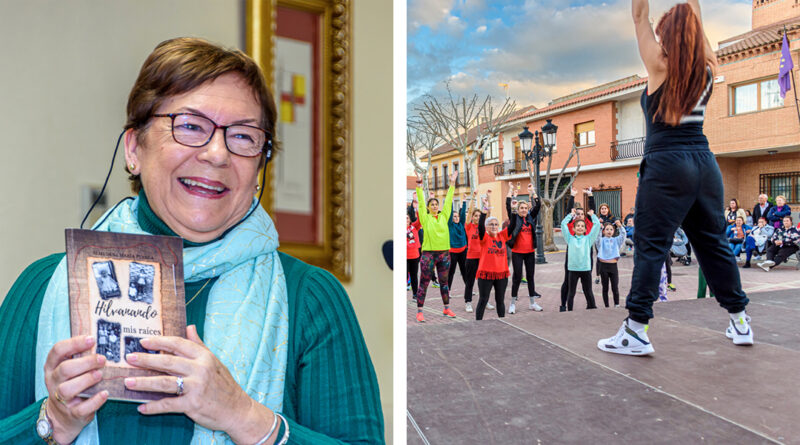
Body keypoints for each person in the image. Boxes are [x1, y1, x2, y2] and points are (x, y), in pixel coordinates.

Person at [0, 38, 384, 444]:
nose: (217, 154)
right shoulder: (41, 289)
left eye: (242, 137)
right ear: (134, 148)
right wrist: (52, 421)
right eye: (190, 126)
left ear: (259, 168)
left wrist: (245, 417)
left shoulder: (309, 298)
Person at [598, 0, 752, 356]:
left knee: (651, 247)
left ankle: (636, 330)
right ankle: (740, 320)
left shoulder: (659, 65)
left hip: (667, 162)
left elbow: (639, 16)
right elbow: (695, 16)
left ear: (666, 33)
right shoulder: (709, 68)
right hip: (704, 163)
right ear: (697, 34)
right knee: (714, 244)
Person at [414, 170, 459, 322]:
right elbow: (420, 203)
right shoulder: (425, 218)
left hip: (444, 254)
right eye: (432, 204)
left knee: (444, 282)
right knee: (424, 282)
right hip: (428, 254)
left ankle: (446, 308)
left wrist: (452, 183)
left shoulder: (444, 216)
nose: (434, 206)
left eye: (436, 204)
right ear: (428, 207)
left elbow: (449, 200)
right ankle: (420, 311)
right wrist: (419, 186)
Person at [506, 184, 543, 314]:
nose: (523, 210)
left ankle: (533, 303)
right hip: (517, 252)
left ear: (528, 209)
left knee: (530, 277)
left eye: (525, 208)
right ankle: (512, 304)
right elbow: (507, 205)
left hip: (529, 253)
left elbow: (538, 206)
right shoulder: (514, 218)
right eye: (521, 208)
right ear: (518, 209)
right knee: (516, 278)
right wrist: (510, 191)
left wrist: (533, 191)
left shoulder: (530, 218)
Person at [559, 187, 595, 311]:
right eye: (577, 214)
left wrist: (590, 196)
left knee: (587, 287)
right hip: (572, 260)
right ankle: (564, 305)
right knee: (568, 284)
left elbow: (592, 211)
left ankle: (591, 306)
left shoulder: (588, 225)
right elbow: (568, 213)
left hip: (586, 259)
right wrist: (572, 196)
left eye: (581, 214)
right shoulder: (571, 228)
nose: (579, 216)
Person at [475, 195, 510, 320]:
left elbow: (513, 224)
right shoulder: (484, 238)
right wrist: (484, 210)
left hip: (501, 274)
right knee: (483, 300)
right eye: (491, 225)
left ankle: (503, 322)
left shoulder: (502, 236)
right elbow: (479, 226)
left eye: (496, 224)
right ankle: (477, 324)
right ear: (486, 227)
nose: (494, 226)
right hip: (486, 274)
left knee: (500, 301)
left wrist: (513, 208)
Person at [561, 211, 601, 311]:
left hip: (585, 269)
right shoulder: (569, 238)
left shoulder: (588, 239)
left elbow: (597, 225)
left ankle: (592, 309)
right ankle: (569, 311)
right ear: (573, 228)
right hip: (573, 269)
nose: (580, 227)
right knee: (571, 293)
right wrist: (570, 215)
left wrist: (592, 215)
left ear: (585, 229)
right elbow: (563, 224)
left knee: (588, 291)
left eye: (582, 226)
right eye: (577, 225)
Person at [595, 220, 627, 308]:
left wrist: (620, 227)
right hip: (603, 266)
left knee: (615, 287)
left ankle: (617, 304)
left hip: (613, 266)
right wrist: (599, 228)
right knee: (605, 288)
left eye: (611, 229)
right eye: (607, 229)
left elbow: (623, 236)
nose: (609, 231)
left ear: (613, 231)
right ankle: (606, 305)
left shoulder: (616, 240)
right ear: (603, 231)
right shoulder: (601, 241)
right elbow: (597, 238)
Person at [463, 195, 482, 313]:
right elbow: (469, 212)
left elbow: (488, 214)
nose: (477, 218)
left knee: (483, 281)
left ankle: (484, 300)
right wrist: (473, 198)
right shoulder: (469, 226)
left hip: (483, 258)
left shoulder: (483, 227)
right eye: (476, 216)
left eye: (479, 216)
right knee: (470, 281)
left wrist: (488, 199)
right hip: (471, 257)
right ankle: (468, 302)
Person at [447, 198, 468, 291]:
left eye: (457, 216)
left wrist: (464, 202)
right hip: (452, 252)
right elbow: (450, 213)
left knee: (464, 271)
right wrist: (450, 202)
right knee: (451, 271)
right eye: (454, 216)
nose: (456, 218)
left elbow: (463, 214)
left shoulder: (461, 224)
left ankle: (469, 289)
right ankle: (448, 290)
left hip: (463, 251)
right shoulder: (450, 225)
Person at [407, 206, 422, 298]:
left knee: (414, 276)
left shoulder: (414, 227)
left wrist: (417, 209)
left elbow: (420, 221)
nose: (406, 219)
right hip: (405, 256)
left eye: (407, 218)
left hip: (414, 255)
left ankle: (415, 294)